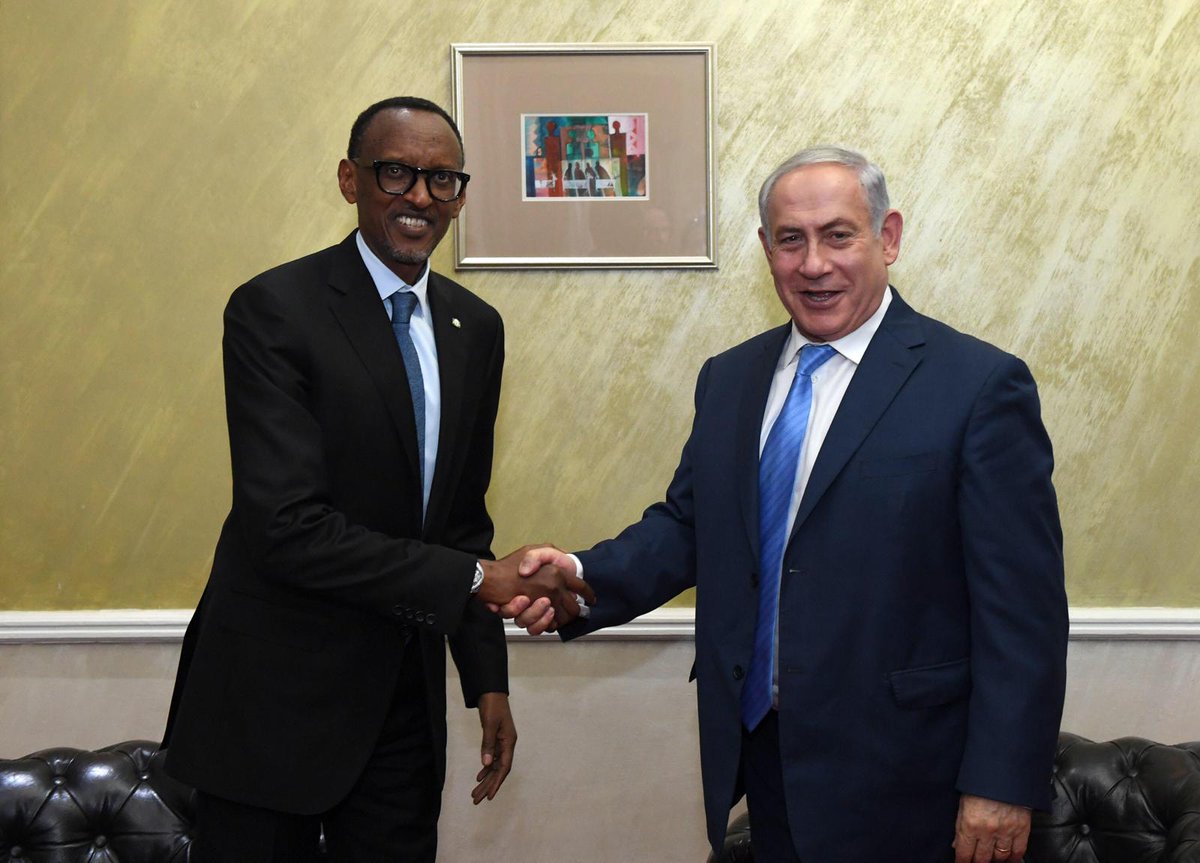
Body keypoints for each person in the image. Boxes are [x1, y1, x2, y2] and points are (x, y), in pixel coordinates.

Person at [506, 147, 1068, 862]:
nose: (814, 264)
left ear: (888, 237)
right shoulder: (729, 378)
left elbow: (1023, 610)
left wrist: (1001, 782)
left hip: (910, 778)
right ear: (766, 249)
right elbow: (690, 527)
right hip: (765, 760)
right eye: (791, 240)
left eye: (839, 235)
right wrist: (579, 576)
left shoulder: (978, 386)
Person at [163, 96, 590, 863]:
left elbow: (461, 519)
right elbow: (286, 527)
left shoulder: (475, 328)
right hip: (270, 700)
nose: (420, 196)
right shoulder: (274, 310)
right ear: (349, 179)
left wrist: (487, 680)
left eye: (442, 178)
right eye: (396, 172)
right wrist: (476, 578)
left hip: (402, 705)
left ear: (460, 195)